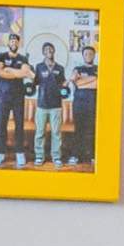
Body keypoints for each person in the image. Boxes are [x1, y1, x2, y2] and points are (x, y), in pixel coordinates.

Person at [30, 36, 77, 169]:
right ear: (43, 52)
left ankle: (56, 157)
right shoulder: (38, 67)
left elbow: (63, 84)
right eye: (46, 49)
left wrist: (69, 82)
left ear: (54, 51)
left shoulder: (60, 68)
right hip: (42, 105)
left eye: (51, 49)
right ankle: (39, 156)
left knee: (56, 133)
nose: (49, 51)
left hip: (56, 105)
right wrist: (29, 73)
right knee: (40, 132)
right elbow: (34, 83)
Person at [0, 33, 31, 166]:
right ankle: (0, 154)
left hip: (18, 97)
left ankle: (19, 154)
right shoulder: (1, 56)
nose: (14, 43)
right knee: (2, 126)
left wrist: (8, 70)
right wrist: (16, 73)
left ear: (18, 43)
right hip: (3, 97)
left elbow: (25, 73)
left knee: (19, 126)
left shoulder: (23, 58)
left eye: (16, 41)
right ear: (8, 43)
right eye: (12, 41)